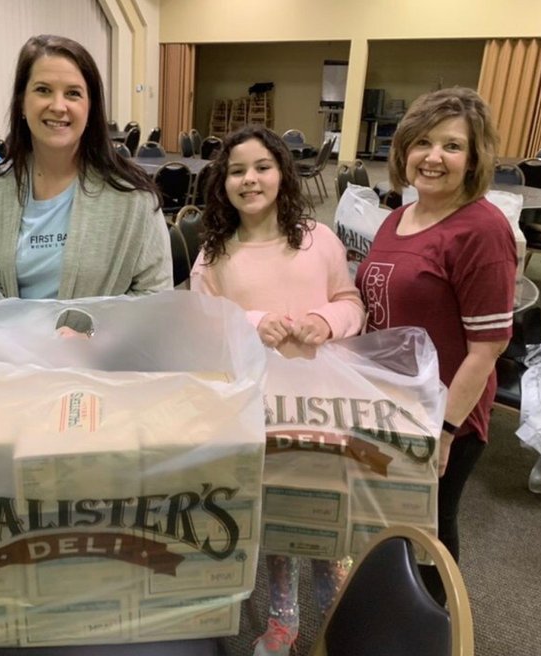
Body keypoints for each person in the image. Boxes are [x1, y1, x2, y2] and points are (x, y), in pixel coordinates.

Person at [190, 125, 365, 656]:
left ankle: (341, 613)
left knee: (327, 514)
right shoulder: (215, 252)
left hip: (320, 402)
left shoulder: (319, 239)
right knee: (276, 516)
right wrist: (252, 319)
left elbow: (352, 302)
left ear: (282, 173)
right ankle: (282, 619)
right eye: (237, 170)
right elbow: (200, 322)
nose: (250, 179)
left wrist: (325, 318)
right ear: (223, 183)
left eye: (262, 167)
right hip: (254, 408)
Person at [356, 87, 516, 603]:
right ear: (404, 150)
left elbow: (488, 347)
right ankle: (390, 609)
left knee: (431, 527)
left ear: (473, 159)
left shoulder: (482, 230)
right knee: (388, 518)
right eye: (423, 142)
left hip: (443, 414)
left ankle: (431, 622)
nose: (433, 157)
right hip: (391, 403)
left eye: (452, 146)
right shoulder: (397, 217)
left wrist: (444, 431)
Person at [0, 34, 171, 303]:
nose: (58, 106)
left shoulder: (133, 196)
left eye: (73, 93)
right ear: (21, 104)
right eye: (43, 90)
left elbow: (156, 294)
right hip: (13, 343)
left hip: (106, 345)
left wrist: (93, 334)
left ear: (90, 108)